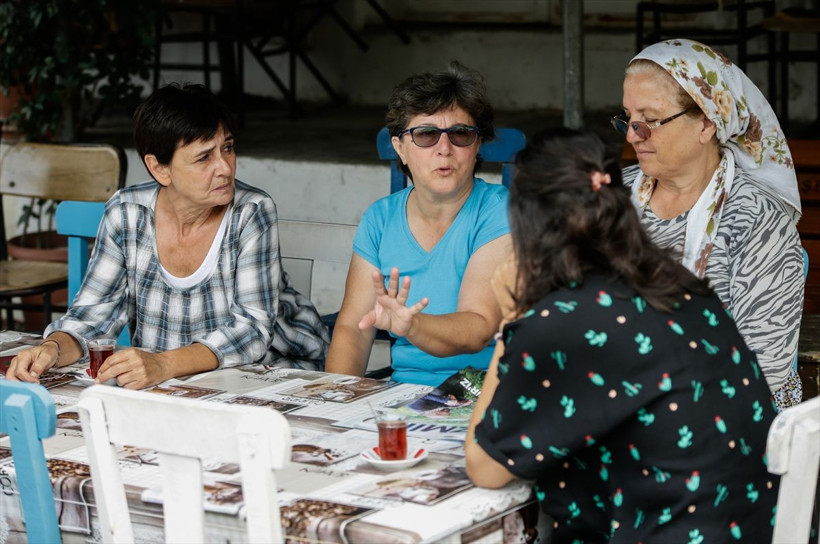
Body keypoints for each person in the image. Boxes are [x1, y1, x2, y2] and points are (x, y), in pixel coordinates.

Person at [465, 128, 779, 543]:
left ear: (528, 223)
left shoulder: (562, 320)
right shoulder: (674, 281)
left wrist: (513, 319)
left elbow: (485, 466)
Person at [6, 83, 329, 389]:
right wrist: (51, 349)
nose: (225, 168)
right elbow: (91, 317)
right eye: (204, 157)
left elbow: (251, 330)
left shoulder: (251, 211)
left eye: (228, 148)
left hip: (270, 372)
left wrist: (163, 364)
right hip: (177, 383)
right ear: (160, 168)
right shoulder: (126, 213)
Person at [614, 39, 803, 411]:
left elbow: (761, 370)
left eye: (649, 120)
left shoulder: (757, 219)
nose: (632, 135)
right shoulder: (613, 198)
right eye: (628, 118)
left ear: (705, 123)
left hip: (720, 416)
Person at [325, 61, 512, 386]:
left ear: (477, 144)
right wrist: (335, 399)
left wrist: (411, 325)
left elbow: (478, 328)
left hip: (483, 392)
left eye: (461, 134)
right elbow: (353, 329)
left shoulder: (499, 210)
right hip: (403, 393)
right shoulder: (380, 218)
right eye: (426, 134)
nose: (444, 149)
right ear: (400, 148)